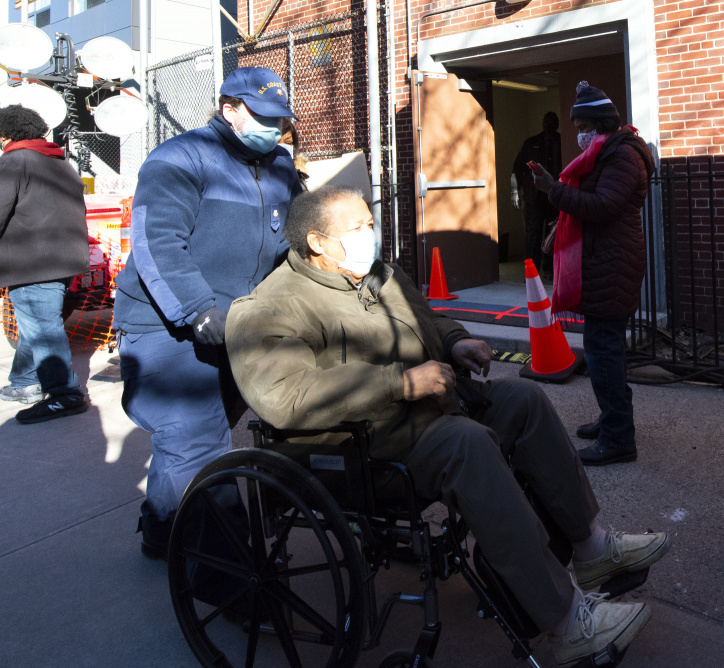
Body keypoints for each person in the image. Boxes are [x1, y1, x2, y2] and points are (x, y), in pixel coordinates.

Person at [225, 186, 672, 666]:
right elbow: (286, 396)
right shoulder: (269, 308)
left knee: (524, 399)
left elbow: (426, 320)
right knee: (469, 445)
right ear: (318, 242)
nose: (370, 235)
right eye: (357, 229)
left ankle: (591, 546)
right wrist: (398, 382)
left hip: (428, 408)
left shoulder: (377, 274)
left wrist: (456, 341)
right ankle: (566, 622)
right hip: (360, 445)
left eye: (370, 224)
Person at [113, 66, 302, 559]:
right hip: (168, 323)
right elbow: (158, 241)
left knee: (199, 429)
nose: (275, 130)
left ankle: (159, 527)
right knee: (199, 445)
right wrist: (198, 311)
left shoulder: (280, 165)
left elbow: (299, 239)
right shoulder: (180, 157)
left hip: (237, 321)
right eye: (263, 118)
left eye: (280, 120)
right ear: (229, 110)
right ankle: (231, 580)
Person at [529, 82, 655, 466]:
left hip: (612, 266)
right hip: (605, 264)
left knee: (604, 356)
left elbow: (602, 206)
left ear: (600, 123)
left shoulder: (621, 156)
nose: (579, 132)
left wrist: (553, 190)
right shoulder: (608, 152)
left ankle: (619, 439)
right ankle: (610, 420)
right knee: (604, 354)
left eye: (583, 123)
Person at [0, 105, 90, 423]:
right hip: (61, 262)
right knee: (34, 326)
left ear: (6, 134)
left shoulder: (13, 160)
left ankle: (65, 394)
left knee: (42, 329)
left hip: (31, 264)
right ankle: (25, 383)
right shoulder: (60, 162)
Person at [512, 111, 561, 276]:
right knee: (533, 235)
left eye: (553, 121)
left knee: (553, 234)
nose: (549, 124)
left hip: (555, 196)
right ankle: (532, 273)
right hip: (534, 196)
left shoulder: (561, 142)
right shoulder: (531, 143)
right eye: (547, 120)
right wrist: (514, 192)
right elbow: (517, 168)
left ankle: (550, 269)